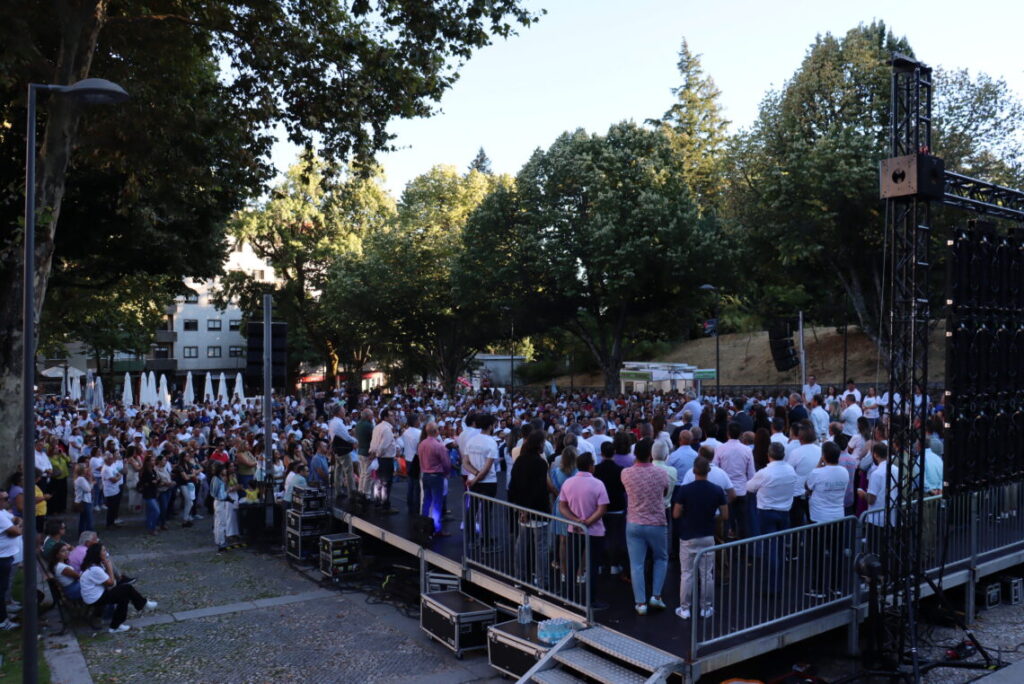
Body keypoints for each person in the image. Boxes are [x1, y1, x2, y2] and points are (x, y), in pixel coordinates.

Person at [621, 439, 672, 615]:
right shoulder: (662, 473)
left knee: (636, 564)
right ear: (651, 454)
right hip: (657, 522)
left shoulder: (626, 473)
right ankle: (656, 596)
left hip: (634, 522)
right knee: (661, 558)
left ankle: (640, 603)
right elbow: (664, 493)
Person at [673, 456, 728, 620]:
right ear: (708, 471)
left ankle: (685, 609)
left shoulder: (685, 490)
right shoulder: (717, 490)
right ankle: (706, 607)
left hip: (688, 535)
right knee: (707, 574)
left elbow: (676, 514)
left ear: (694, 470)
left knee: (687, 573)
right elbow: (725, 515)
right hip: (708, 535)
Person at [558, 451, 609, 610]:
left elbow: (562, 506)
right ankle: (591, 600)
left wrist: (575, 520)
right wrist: (588, 522)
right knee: (592, 566)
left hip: (574, 529)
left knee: (572, 563)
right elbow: (602, 508)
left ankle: (569, 597)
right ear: (590, 466)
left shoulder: (568, 483)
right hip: (594, 531)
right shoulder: (598, 484)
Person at [508, 430, 554, 587]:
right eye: (543, 443)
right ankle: (542, 583)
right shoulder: (540, 463)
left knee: (521, 544)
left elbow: (513, 486)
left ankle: (520, 579)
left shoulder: (519, 461)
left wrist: (521, 509)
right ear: (538, 444)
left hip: (523, 510)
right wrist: (527, 510)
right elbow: (538, 489)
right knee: (541, 547)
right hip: (538, 510)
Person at [79, 543, 156, 633]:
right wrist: (109, 567)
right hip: (95, 598)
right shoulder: (95, 569)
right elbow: (111, 583)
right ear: (98, 554)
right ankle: (142, 604)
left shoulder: (92, 565)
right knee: (127, 589)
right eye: (104, 551)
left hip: (95, 595)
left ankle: (116, 625)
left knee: (124, 597)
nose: (106, 552)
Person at [712, 422, 755, 539]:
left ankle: (727, 545)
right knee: (742, 521)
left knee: (726, 520)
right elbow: (751, 473)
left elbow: (715, 468)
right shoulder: (747, 450)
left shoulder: (720, 449)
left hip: (726, 491)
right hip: (741, 490)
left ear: (728, 433)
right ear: (740, 434)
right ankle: (743, 546)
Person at [464, 414, 499, 547]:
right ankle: (486, 543)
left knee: (472, 511)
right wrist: (478, 476)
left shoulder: (471, 440)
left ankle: (472, 540)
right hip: (488, 482)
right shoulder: (491, 442)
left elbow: (465, 463)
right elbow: (487, 468)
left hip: (473, 481)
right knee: (486, 513)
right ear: (490, 426)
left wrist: (474, 476)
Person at [593, 441, 626, 578]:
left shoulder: (596, 469)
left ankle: (600, 564)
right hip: (617, 506)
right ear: (614, 453)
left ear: (601, 453)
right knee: (615, 537)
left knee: (600, 536)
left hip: (600, 507)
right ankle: (614, 565)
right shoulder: (620, 469)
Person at [418, 422, 451, 535]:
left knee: (426, 501)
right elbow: (446, 463)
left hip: (425, 475)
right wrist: (446, 473)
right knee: (437, 503)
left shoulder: (421, 444)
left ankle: (423, 526)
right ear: (436, 431)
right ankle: (437, 528)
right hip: (436, 476)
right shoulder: (439, 446)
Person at [786, 425, 821, 527]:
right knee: (813, 523)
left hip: (798, 493)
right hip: (814, 491)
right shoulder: (820, 450)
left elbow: (789, 471)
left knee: (796, 525)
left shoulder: (796, 453)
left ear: (800, 438)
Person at [368, 408, 398, 512]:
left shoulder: (377, 427)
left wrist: (373, 453)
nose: (394, 417)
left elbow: (373, 443)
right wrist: (377, 454)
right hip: (385, 459)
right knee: (386, 483)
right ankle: (385, 505)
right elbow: (383, 445)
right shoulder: (387, 429)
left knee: (378, 481)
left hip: (378, 458)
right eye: (391, 415)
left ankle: (377, 502)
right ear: (386, 417)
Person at [0, 490, 21, 631]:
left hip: (7, 556)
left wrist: (16, 525)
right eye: (4, 499)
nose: (7, 501)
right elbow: (16, 531)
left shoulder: (3, 513)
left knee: (5, 587)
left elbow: (17, 520)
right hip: (2, 558)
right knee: (1, 589)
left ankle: (5, 612)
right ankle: (2, 621)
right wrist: (17, 528)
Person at [328, 406, 358, 498]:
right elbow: (346, 437)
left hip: (337, 449)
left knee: (338, 471)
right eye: (343, 411)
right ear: (339, 413)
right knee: (349, 471)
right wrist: (356, 441)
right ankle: (352, 493)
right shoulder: (338, 423)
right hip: (343, 450)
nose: (345, 412)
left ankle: (338, 491)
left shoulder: (332, 422)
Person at [100, 452, 123, 529]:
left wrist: (118, 477)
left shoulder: (112, 465)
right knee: (111, 509)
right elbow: (114, 480)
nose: (112, 460)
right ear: (106, 460)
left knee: (114, 508)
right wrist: (118, 477)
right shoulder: (106, 469)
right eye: (110, 459)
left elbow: (118, 473)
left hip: (116, 489)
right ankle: (109, 524)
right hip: (110, 491)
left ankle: (113, 522)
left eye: (112, 458)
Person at [73, 463, 94, 537]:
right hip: (85, 501)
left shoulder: (81, 478)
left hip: (83, 501)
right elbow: (88, 489)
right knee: (89, 520)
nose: (87, 469)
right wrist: (91, 480)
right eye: (85, 468)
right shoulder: (81, 479)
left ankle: (81, 534)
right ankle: (90, 535)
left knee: (83, 519)